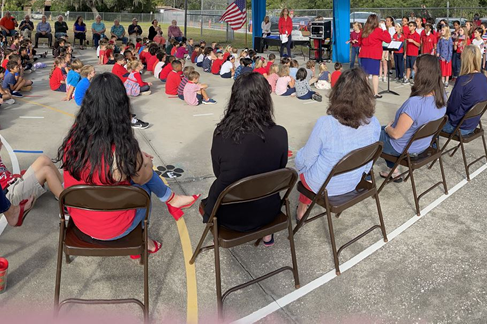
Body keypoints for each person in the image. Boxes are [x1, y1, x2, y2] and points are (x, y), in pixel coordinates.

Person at [57, 73, 200, 253]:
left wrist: (136, 156)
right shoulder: (122, 147)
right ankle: (146, 237)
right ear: (121, 105)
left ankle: (171, 200)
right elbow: (144, 176)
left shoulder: (74, 139)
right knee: (143, 188)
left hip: (81, 222)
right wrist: (142, 159)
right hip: (117, 227)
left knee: (131, 176)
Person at [201, 72, 288, 244]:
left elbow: (218, 172)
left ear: (235, 99)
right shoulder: (280, 133)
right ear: (265, 100)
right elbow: (280, 167)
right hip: (268, 209)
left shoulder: (222, 134)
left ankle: (265, 230)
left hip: (230, 214)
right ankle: (267, 232)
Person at [295, 68, 380, 221]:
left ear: (338, 92)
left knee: (305, 164)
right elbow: (369, 161)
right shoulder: (373, 123)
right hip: (353, 181)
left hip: (324, 185)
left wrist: (299, 161)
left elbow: (306, 161)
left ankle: (302, 208)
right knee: (315, 162)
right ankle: (303, 206)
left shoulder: (326, 124)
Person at [379, 54, 447, 180]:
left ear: (422, 74)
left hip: (402, 147)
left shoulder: (415, 103)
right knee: (380, 129)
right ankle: (392, 170)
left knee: (368, 135)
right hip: (423, 144)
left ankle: (364, 176)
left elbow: (396, 135)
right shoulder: (442, 96)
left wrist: (388, 128)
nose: (412, 71)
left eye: (415, 69)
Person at [1, 143, 64, 225]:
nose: (1, 143)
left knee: (44, 159)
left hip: (15, 182)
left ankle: (63, 187)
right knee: (46, 171)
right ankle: (68, 203)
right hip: (9, 195)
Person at [444, 46, 487, 135]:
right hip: (472, 123)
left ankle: (432, 148)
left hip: (459, 126)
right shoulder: (483, 78)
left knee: (429, 124)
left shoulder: (464, 80)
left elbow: (452, 106)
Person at [359, 14, 392, 98]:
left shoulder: (364, 30)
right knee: (375, 75)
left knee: (365, 74)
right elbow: (388, 39)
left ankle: (364, 92)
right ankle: (375, 93)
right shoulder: (378, 31)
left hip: (364, 54)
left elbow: (360, 42)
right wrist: (384, 29)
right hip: (374, 55)